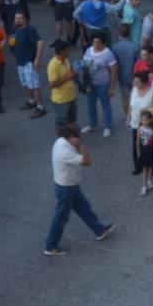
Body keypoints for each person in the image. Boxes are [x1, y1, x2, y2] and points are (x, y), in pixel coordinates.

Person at [43, 123, 115, 257]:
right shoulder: (65, 151)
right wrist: (81, 146)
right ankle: (50, 245)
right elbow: (87, 162)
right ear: (71, 137)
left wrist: (78, 144)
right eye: (78, 137)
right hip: (66, 188)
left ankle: (99, 230)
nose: (80, 139)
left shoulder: (61, 141)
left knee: (83, 207)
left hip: (69, 185)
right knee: (60, 217)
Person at [81, 33, 118, 137]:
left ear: (103, 43)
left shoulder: (108, 53)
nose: (96, 44)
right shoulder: (89, 51)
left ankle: (108, 126)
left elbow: (114, 70)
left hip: (103, 83)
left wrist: (112, 87)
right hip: (90, 83)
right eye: (94, 42)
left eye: (98, 42)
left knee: (105, 105)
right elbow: (85, 65)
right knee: (90, 105)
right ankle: (93, 125)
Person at [46, 40, 78, 129]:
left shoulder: (66, 59)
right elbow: (52, 85)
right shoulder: (53, 65)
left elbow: (70, 70)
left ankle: (71, 138)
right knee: (61, 125)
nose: (69, 52)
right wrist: (67, 77)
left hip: (71, 97)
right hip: (61, 100)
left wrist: (74, 72)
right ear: (61, 52)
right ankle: (62, 140)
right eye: (67, 50)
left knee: (72, 121)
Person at [136, 109, 153, 196]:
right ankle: (144, 186)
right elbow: (137, 141)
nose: (143, 122)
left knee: (151, 166)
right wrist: (138, 152)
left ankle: (149, 181)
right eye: (142, 120)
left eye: (145, 120)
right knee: (145, 168)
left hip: (151, 149)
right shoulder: (140, 129)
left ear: (150, 120)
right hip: (144, 150)